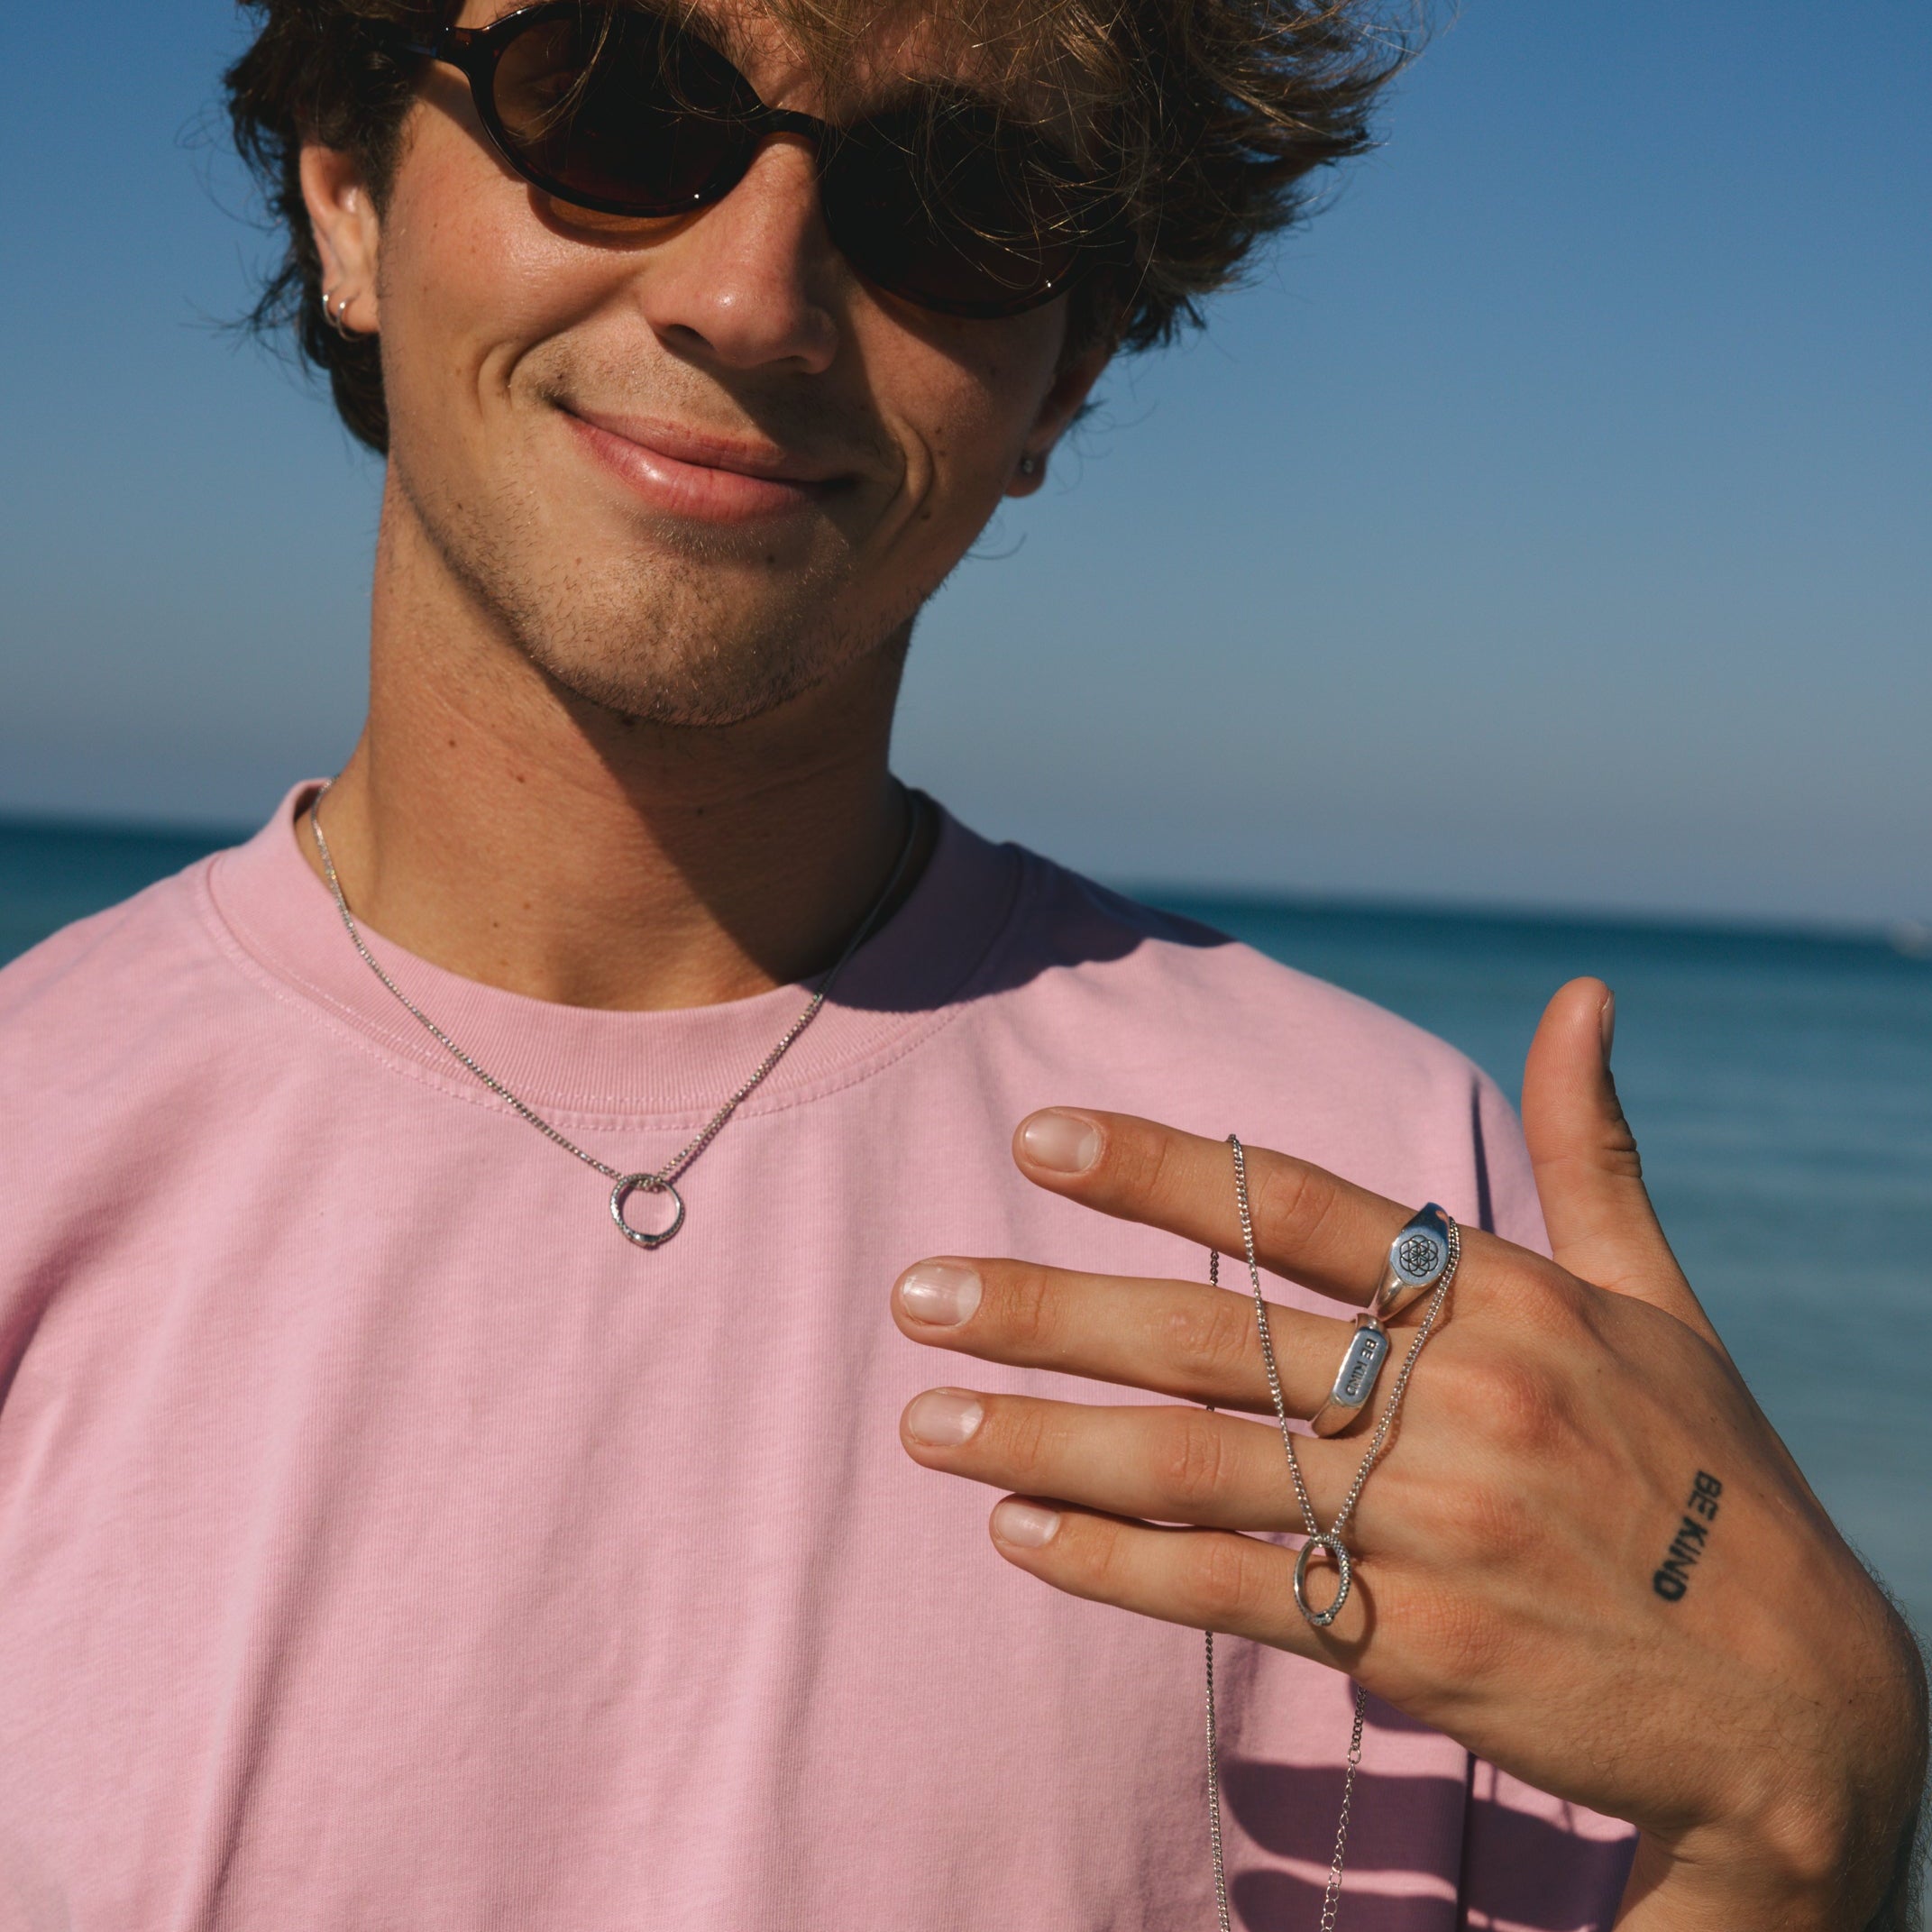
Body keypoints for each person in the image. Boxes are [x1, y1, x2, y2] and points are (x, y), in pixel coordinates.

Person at [0, 0, 1921, 1924]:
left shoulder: (1364, 1215)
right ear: (350, 198)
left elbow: (1737, 1806)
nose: (752, 297)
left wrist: (1800, 1812)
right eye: (620, 105)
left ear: (1061, 378)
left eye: (955, 196)